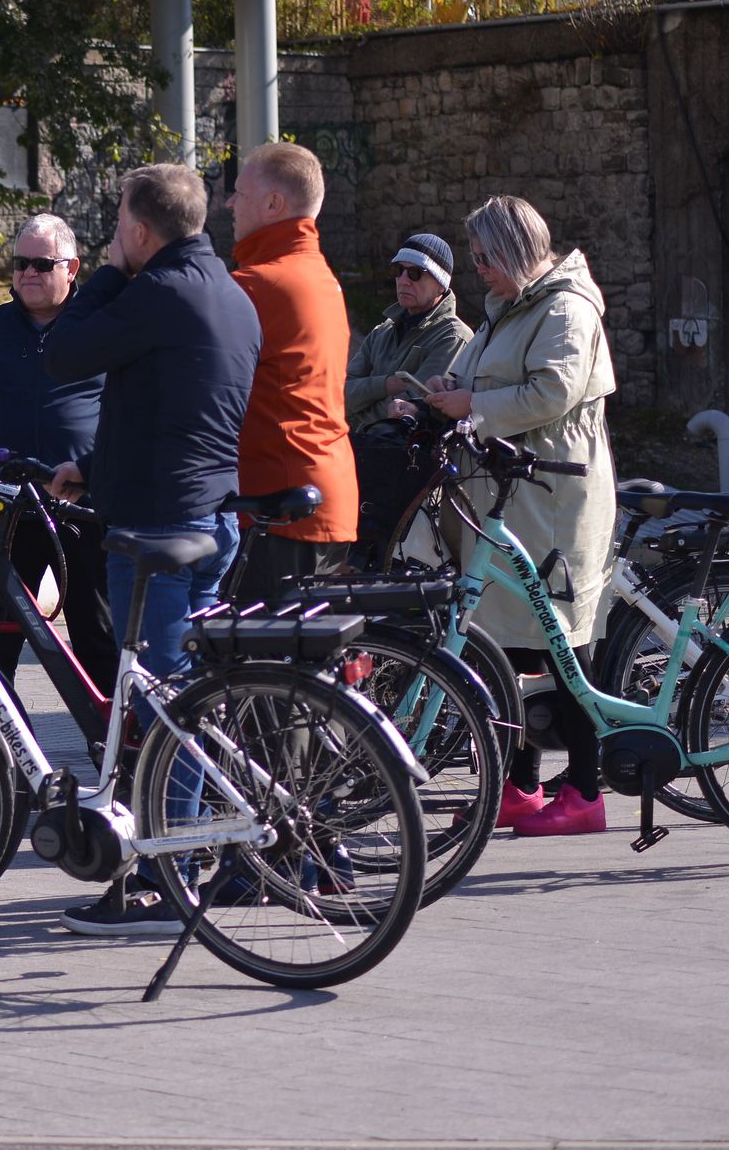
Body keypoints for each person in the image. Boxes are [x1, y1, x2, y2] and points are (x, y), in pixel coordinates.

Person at [44, 163, 260, 934]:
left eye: (118, 229)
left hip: (158, 531)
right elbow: (178, 410)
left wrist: (105, 275)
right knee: (181, 697)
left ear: (139, 229)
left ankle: (168, 878)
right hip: (211, 518)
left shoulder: (156, 291)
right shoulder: (228, 293)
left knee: (162, 708)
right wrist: (93, 467)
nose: (114, 241)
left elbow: (62, 352)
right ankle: (177, 857)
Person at [423, 195, 618, 837]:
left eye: (485, 256)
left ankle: (585, 790)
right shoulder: (509, 307)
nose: (477, 267)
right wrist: (443, 392)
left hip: (555, 501)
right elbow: (475, 373)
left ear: (515, 251)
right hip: (515, 496)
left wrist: (472, 405)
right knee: (509, 647)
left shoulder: (566, 308)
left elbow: (552, 390)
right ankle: (520, 782)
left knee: (563, 647)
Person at [0, 214, 113, 685]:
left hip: (85, 511)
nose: (29, 272)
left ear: (71, 268)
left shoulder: (100, 329)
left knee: (98, 642)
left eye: (42, 264)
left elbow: (132, 416)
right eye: (20, 263)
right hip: (8, 512)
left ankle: (113, 733)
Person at [225, 142, 358, 597]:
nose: (229, 203)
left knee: (257, 645)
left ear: (273, 204)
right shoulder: (318, 275)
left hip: (277, 502)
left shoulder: (257, 284)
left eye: (239, 193)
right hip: (323, 492)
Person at [345, 232, 473, 559]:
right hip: (365, 462)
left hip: (411, 477)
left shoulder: (453, 336)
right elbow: (340, 394)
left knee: (394, 566)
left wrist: (366, 398)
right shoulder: (382, 332)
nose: (403, 279)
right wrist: (388, 384)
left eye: (416, 273)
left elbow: (416, 411)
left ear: (441, 283)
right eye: (398, 270)